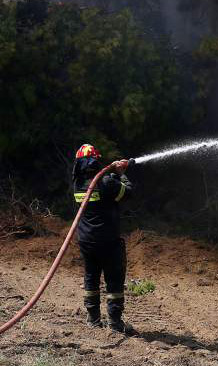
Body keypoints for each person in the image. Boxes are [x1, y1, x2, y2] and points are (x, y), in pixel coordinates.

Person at [72, 143, 135, 334]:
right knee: (114, 280)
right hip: (108, 241)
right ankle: (115, 323)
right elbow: (128, 192)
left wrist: (112, 172)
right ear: (96, 160)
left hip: (86, 240)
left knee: (91, 278)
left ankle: (93, 319)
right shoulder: (106, 182)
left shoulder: (77, 183)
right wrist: (120, 173)